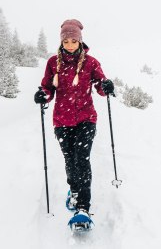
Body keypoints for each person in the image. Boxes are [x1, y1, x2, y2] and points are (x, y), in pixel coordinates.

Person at [34, 19, 114, 222]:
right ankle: (74, 189)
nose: (70, 44)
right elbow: (48, 87)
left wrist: (105, 86)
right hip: (62, 121)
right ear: (62, 42)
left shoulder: (90, 62)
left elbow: (99, 84)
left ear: (80, 41)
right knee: (70, 160)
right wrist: (43, 94)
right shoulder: (53, 63)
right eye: (66, 41)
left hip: (86, 119)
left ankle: (83, 208)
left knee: (82, 159)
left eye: (73, 40)